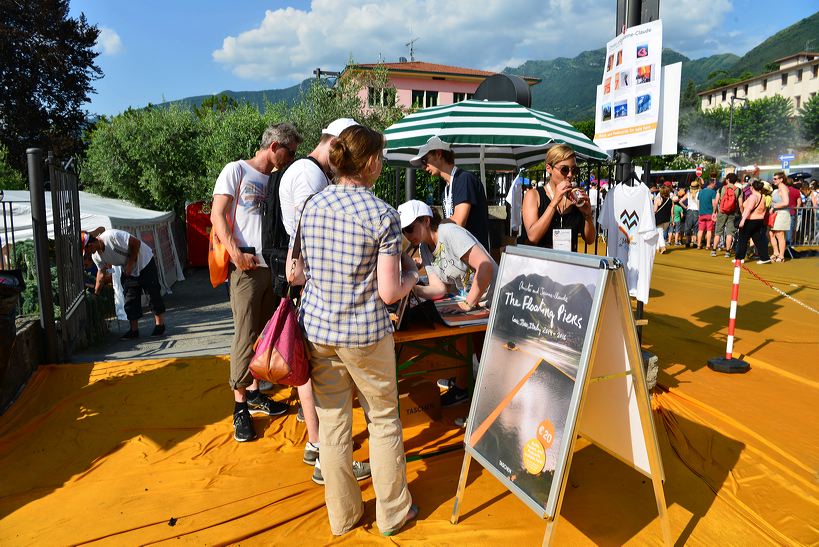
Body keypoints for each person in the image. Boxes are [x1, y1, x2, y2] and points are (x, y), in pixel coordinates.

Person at [289, 125, 418, 537]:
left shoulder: (311, 206)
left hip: (319, 331)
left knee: (332, 423)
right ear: (371, 162)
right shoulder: (383, 215)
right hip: (365, 334)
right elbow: (389, 291)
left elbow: (301, 271)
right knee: (382, 419)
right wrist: (413, 275)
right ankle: (393, 513)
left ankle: (343, 516)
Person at [277, 117, 362, 478]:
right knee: (320, 377)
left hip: (307, 282)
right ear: (335, 144)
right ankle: (325, 455)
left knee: (313, 371)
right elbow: (311, 233)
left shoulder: (303, 171)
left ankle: (319, 446)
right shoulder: (311, 175)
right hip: (316, 286)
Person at [210, 123, 302, 442]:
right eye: (289, 152)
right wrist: (235, 254)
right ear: (274, 146)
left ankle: (253, 393)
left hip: (271, 267)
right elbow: (217, 215)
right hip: (246, 268)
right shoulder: (236, 171)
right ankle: (239, 409)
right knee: (245, 334)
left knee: (265, 334)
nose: (292, 158)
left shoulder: (277, 179)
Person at [398, 199, 498, 406]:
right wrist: (410, 289)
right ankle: (467, 389)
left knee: (488, 359)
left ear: (426, 221)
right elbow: (439, 288)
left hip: (494, 300)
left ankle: (484, 400)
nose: (407, 235)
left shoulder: (449, 233)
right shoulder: (425, 247)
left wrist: (468, 304)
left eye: (409, 228)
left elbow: (486, 267)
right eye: (404, 231)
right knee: (465, 344)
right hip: (476, 303)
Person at [82, 228, 166, 339]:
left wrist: (131, 263)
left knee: (153, 293)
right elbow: (101, 273)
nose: (87, 254)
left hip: (144, 262)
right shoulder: (96, 256)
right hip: (128, 268)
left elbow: (136, 243)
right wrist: (96, 293)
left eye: (86, 250)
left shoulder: (111, 236)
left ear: (91, 244)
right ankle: (134, 330)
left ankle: (160, 325)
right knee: (129, 297)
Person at [410, 136, 490, 250]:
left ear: (438, 153)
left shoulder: (464, 179)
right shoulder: (447, 190)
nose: (423, 167)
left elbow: (458, 221)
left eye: (424, 160)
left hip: (476, 259)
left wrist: (428, 227)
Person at [518, 144, 595, 251]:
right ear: (549, 168)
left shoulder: (575, 198)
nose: (570, 174)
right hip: (538, 263)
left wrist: (587, 215)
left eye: (574, 169)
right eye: (564, 169)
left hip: (566, 263)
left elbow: (590, 240)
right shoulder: (533, 195)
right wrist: (555, 201)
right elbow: (533, 237)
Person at [735, 179, 771, 264]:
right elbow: (763, 209)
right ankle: (765, 257)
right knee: (757, 239)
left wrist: (743, 220)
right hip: (759, 220)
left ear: (752, 187)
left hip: (750, 220)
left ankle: (739, 258)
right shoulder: (762, 197)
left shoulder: (753, 197)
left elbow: (748, 209)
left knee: (743, 239)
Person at [713, 173, 742, 257]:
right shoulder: (738, 190)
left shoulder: (721, 189)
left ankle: (714, 250)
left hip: (721, 212)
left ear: (727, 180)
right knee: (730, 233)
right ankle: (727, 252)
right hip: (733, 213)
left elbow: (716, 202)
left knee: (718, 232)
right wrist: (742, 215)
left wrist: (714, 212)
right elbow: (740, 205)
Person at [770, 172, 790, 262]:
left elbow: (786, 202)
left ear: (781, 179)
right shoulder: (776, 189)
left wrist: (774, 206)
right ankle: (776, 252)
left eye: (775, 179)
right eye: (773, 178)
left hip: (782, 213)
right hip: (775, 214)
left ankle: (781, 256)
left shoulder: (784, 189)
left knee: (780, 234)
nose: (773, 180)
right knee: (771, 233)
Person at [696, 177, 718, 251]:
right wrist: (714, 212)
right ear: (711, 183)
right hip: (709, 213)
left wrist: (699, 212)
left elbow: (698, 203)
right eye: (714, 183)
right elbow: (714, 204)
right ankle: (708, 245)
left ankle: (698, 244)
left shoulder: (700, 192)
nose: (715, 184)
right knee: (709, 230)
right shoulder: (713, 192)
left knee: (700, 230)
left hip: (701, 213)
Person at [681, 179, 701, 247]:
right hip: (696, 211)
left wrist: (686, 207)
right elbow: (699, 204)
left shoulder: (688, 194)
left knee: (688, 227)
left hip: (689, 211)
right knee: (696, 227)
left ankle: (687, 242)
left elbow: (680, 201)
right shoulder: (699, 193)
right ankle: (695, 242)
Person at [653, 185, 672, 254]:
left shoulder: (658, 199)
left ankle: (663, 247)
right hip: (667, 220)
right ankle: (657, 248)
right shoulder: (670, 200)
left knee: (659, 233)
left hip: (659, 219)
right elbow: (670, 210)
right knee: (658, 233)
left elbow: (655, 210)